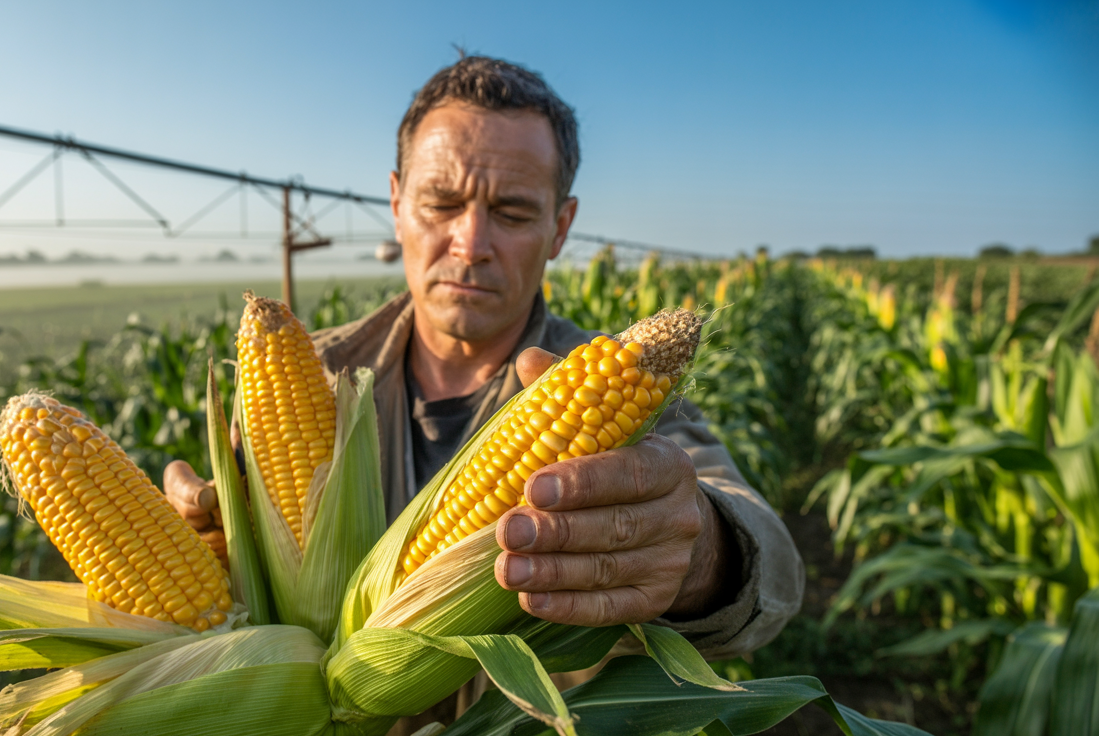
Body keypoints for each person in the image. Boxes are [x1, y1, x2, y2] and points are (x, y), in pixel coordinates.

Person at [165, 55, 804, 732]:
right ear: (396, 203)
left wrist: (703, 548)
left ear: (561, 226)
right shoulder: (312, 372)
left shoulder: (622, 404)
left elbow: (770, 566)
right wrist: (208, 548)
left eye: (512, 211)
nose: (470, 244)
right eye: (441, 203)